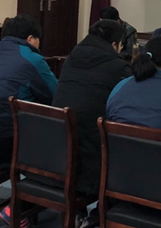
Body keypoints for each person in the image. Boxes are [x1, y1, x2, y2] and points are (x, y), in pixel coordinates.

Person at [0, 14, 57, 226]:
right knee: (55, 146)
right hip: (7, 140)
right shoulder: (32, 58)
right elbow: (55, 95)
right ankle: (19, 208)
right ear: (30, 38)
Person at [52, 20, 132, 200]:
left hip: (57, 143)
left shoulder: (71, 57)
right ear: (114, 44)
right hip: (93, 151)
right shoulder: (118, 67)